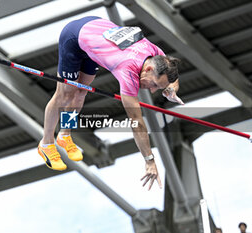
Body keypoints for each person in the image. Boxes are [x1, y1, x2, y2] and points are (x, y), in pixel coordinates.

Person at [38, 16, 183, 190]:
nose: (152, 90)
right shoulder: (128, 71)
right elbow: (137, 123)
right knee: (65, 94)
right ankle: (46, 144)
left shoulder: (156, 54)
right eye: (153, 84)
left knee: (81, 91)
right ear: (149, 69)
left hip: (93, 35)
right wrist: (149, 160)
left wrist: (171, 89)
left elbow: (173, 73)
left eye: (157, 87)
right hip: (74, 37)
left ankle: (64, 135)